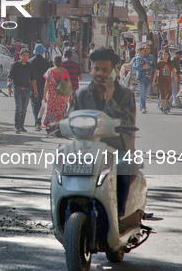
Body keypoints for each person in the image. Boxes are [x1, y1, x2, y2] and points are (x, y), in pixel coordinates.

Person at [67, 47, 136, 231]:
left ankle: (119, 216)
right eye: (96, 68)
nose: (100, 73)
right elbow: (70, 118)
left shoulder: (125, 95)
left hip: (116, 148)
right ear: (91, 68)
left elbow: (128, 121)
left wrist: (110, 99)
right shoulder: (80, 94)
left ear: (113, 71)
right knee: (61, 166)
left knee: (122, 166)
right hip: (85, 149)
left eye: (105, 70)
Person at [7, 49, 38, 134]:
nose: (25, 57)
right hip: (17, 89)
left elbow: (33, 78)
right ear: (20, 56)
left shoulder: (29, 66)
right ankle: (17, 126)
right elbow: (10, 76)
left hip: (27, 90)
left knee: (24, 109)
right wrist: (9, 86)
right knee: (18, 108)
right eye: (24, 55)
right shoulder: (15, 65)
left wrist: (35, 89)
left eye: (27, 55)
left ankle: (21, 126)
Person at [28, 44, 52, 131]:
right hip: (43, 85)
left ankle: (37, 123)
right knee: (41, 104)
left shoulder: (30, 61)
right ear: (42, 52)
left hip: (32, 86)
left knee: (35, 104)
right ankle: (39, 121)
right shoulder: (46, 62)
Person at [43, 55, 71, 127]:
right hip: (62, 95)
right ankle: (59, 127)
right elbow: (69, 84)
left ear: (53, 62)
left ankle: (51, 126)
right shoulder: (64, 71)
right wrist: (70, 96)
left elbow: (47, 84)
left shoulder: (49, 71)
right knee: (61, 112)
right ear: (61, 62)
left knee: (50, 111)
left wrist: (44, 96)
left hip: (52, 96)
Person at [132, 43, 155, 114]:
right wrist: (141, 67)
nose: (146, 50)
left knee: (146, 93)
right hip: (140, 78)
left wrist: (149, 67)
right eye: (145, 49)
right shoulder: (137, 56)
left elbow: (154, 67)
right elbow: (134, 66)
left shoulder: (151, 57)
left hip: (148, 77)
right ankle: (143, 107)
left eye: (148, 49)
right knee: (142, 92)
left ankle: (142, 105)